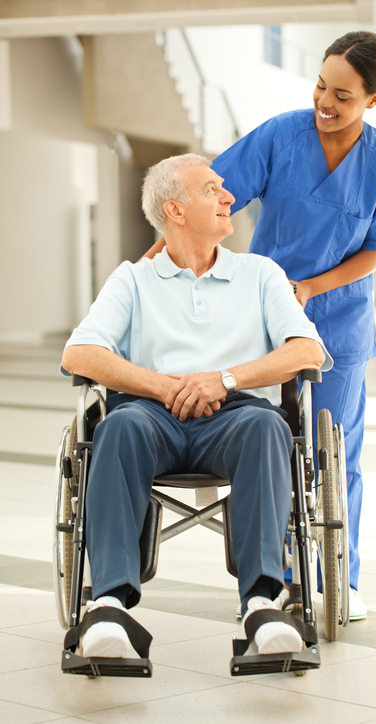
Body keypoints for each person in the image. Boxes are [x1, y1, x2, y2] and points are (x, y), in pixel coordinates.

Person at [143, 31, 376, 620]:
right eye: (320, 85)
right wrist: (154, 262)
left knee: (335, 449)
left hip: (338, 322)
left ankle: (344, 573)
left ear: (373, 100)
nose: (325, 101)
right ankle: (281, 574)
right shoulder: (281, 135)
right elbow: (211, 197)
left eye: (342, 94)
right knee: (273, 443)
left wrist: (314, 286)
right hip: (263, 319)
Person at [60, 153, 326, 660]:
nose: (229, 197)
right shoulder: (132, 280)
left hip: (237, 415)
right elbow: (81, 352)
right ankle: (110, 605)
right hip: (150, 414)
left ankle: (263, 603)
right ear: (175, 210)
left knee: (267, 429)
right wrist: (162, 387)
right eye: (211, 189)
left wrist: (223, 380)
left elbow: (306, 351)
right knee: (117, 428)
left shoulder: (260, 273)